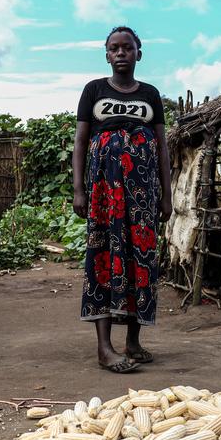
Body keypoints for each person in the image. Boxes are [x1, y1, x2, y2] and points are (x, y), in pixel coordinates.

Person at [72, 26, 173, 373]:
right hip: (105, 193)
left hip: (143, 194)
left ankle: (133, 342)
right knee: (103, 256)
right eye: (114, 48)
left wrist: (166, 195)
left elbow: (162, 148)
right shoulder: (94, 90)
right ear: (106, 54)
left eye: (127, 48)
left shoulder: (150, 94)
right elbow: (81, 143)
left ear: (138, 54)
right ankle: (104, 348)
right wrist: (79, 189)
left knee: (140, 260)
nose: (120, 53)